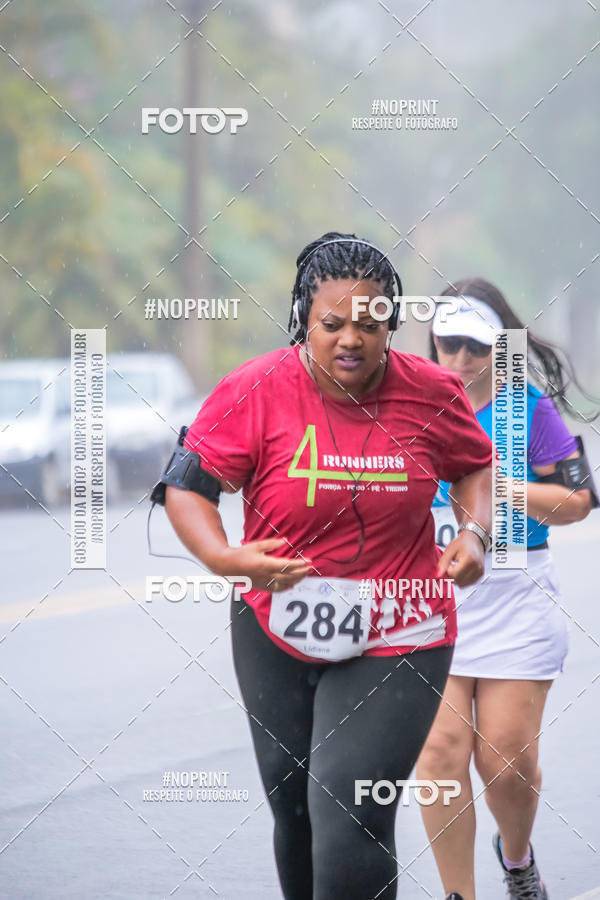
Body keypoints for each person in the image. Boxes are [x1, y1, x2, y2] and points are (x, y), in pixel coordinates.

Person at [160, 233, 494, 900]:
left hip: (402, 623)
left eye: (371, 325)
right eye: (332, 324)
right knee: (295, 809)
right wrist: (223, 556)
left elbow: (475, 462)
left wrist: (477, 532)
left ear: (392, 326)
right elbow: (187, 486)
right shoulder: (255, 389)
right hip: (274, 623)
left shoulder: (431, 393)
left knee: (350, 808)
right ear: (302, 322)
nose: (352, 340)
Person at [416, 279, 598, 900]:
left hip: (515, 601)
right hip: (429, 604)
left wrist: (498, 491)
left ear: (500, 346)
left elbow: (580, 501)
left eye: (476, 346)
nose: (461, 360)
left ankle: (517, 861)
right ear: (432, 342)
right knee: (440, 752)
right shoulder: (412, 405)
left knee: (505, 763)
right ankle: (458, 896)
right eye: (449, 344)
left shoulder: (528, 409)